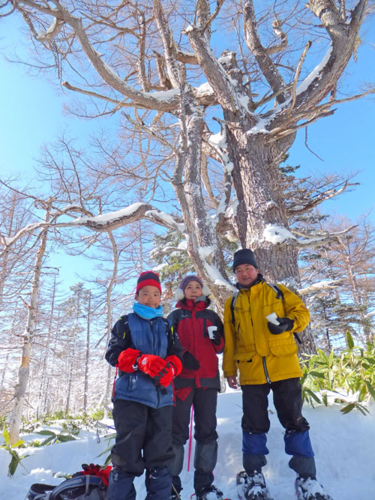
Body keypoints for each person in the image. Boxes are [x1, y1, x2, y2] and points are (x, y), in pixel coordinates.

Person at [223, 249, 332, 500]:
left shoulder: (278, 291)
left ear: (257, 270)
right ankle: (254, 477)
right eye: (239, 271)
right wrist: (229, 370)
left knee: (294, 421)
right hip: (251, 371)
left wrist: (288, 323)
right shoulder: (232, 303)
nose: (244, 273)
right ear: (236, 275)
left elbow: (302, 314)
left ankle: (307, 478)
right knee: (253, 424)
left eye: (247, 268)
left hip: (284, 366)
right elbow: (231, 340)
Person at [105, 271, 183, 500]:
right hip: (131, 399)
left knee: (160, 457)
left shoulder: (167, 325)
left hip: (163, 400)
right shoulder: (126, 322)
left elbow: (177, 355)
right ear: (137, 295)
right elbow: (113, 354)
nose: (151, 298)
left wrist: (171, 369)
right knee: (126, 455)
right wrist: (141, 360)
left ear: (161, 297)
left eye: (156, 294)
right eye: (146, 293)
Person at [167, 275, 224, 500]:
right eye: (188, 287)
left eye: (197, 287)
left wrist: (218, 338)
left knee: (207, 432)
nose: (193, 290)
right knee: (177, 432)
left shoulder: (211, 316)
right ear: (182, 292)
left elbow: (220, 348)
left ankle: (205, 486)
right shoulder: (174, 316)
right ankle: (171, 486)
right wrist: (182, 355)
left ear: (203, 290)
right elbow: (168, 344)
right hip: (182, 381)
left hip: (208, 381)